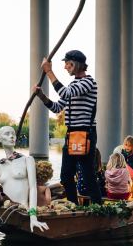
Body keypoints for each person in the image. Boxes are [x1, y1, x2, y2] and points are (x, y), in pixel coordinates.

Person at [33, 50, 102, 205]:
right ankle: (73, 205)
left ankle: (98, 208)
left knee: (88, 175)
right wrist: (42, 96)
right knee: (66, 175)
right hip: (72, 134)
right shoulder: (73, 85)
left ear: (75, 64)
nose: (65, 67)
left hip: (86, 132)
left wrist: (49, 72)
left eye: (67, 64)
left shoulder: (89, 82)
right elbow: (58, 108)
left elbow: (65, 93)